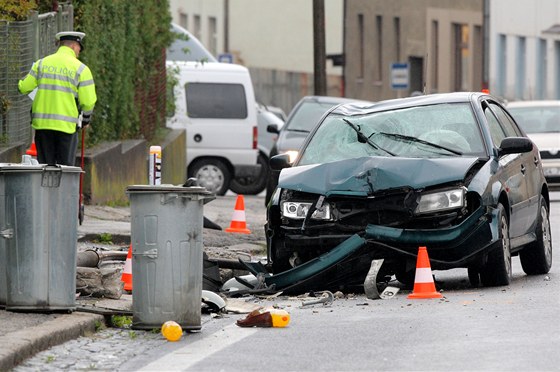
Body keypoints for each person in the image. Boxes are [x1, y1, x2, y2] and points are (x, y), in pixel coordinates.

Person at [18, 31, 97, 166]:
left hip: (42, 126)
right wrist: (85, 120)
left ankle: (46, 188)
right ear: (73, 46)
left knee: (44, 168)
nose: (79, 51)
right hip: (66, 127)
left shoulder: (41, 64)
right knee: (65, 169)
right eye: (79, 47)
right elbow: (88, 101)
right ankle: (63, 188)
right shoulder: (81, 69)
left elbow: (24, 87)